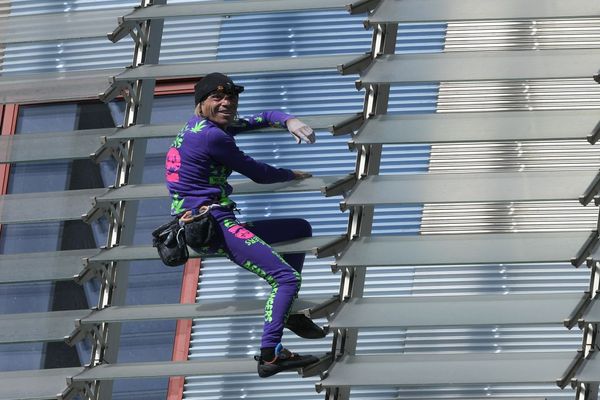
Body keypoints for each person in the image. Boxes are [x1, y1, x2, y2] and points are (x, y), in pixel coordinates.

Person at [164, 72, 325, 378]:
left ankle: (286, 312)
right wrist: (292, 174)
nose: (226, 103)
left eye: (231, 98)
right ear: (201, 103)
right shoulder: (212, 136)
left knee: (299, 229)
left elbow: (260, 118)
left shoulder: (205, 126)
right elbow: (259, 173)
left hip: (216, 220)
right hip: (212, 224)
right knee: (286, 278)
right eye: (217, 98)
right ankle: (270, 356)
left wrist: (287, 119)